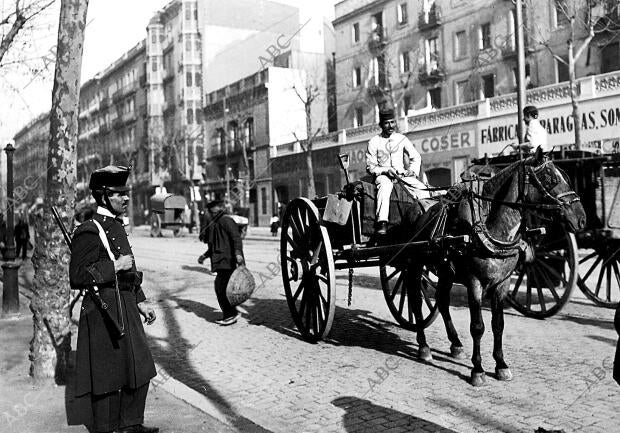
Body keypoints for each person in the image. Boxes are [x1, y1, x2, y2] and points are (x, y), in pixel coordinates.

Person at [69, 165, 158, 433]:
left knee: (139, 365)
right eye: (119, 194)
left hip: (126, 306)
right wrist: (113, 267)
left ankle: (131, 423)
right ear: (103, 196)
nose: (126, 198)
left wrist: (140, 300)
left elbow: (129, 272)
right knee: (106, 374)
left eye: (125, 192)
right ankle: (106, 428)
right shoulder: (89, 229)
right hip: (102, 310)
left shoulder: (117, 226)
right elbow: (77, 276)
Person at [366, 107, 429, 235]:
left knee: (421, 188)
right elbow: (370, 167)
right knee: (385, 186)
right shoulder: (374, 141)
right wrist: (385, 171)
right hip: (383, 176)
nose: (390, 126)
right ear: (381, 125)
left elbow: (416, 156)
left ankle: (426, 218)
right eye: (387, 123)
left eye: (392, 122)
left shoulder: (402, 138)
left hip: (401, 176)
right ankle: (382, 222)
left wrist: (412, 171)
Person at [201, 199, 245, 326]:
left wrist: (238, 254)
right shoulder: (216, 224)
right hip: (221, 261)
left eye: (214, 210)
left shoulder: (226, 220)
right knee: (222, 288)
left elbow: (236, 238)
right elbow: (214, 245)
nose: (211, 213)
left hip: (228, 260)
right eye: (211, 211)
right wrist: (204, 255)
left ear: (218, 210)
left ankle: (231, 314)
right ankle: (231, 313)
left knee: (221, 288)